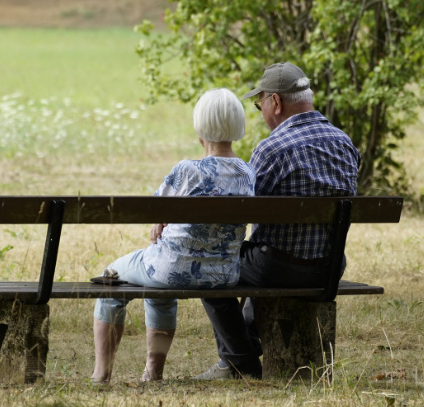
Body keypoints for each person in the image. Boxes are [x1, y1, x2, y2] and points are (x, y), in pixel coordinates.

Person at [194, 63, 361, 380]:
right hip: (329, 267)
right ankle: (244, 349)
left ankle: (240, 362)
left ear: (275, 102)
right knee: (262, 253)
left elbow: (242, 215)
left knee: (209, 264)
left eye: (259, 105)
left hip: (279, 269)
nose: (261, 112)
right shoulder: (345, 143)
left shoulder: (271, 149)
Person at [90, 88, 256, 384]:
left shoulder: (188, 170)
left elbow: (154, 208)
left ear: (200, 127)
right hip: (223, 275)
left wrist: (160, 221)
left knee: (110, 278)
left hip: (171, 270)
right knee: (157, 285)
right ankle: (152, 373)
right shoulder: (247, 173)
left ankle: (101, 374)